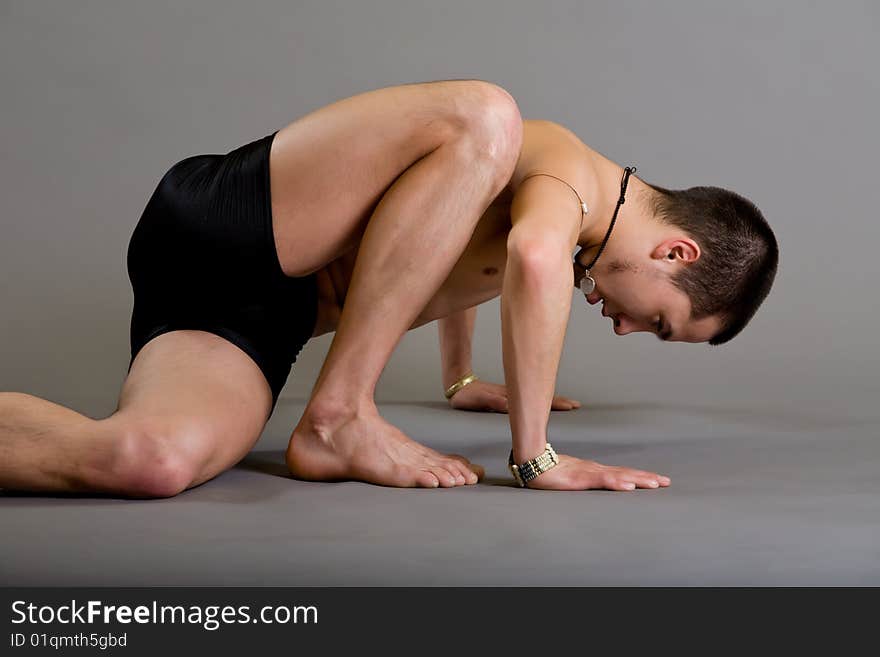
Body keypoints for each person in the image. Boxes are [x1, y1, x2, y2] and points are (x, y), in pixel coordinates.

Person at [0, 79, 777, 496]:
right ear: (676, 251)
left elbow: (464, 248)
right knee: (486, 113)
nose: (627, 330)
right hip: (238, 221)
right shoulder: (568, 178)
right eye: (662, 324)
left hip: (254, 315)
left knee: (148, 460)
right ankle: (339, 414)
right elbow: (532, 260)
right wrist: (537, 458)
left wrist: (461, 376)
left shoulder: (561, 223)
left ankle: (337, 414)